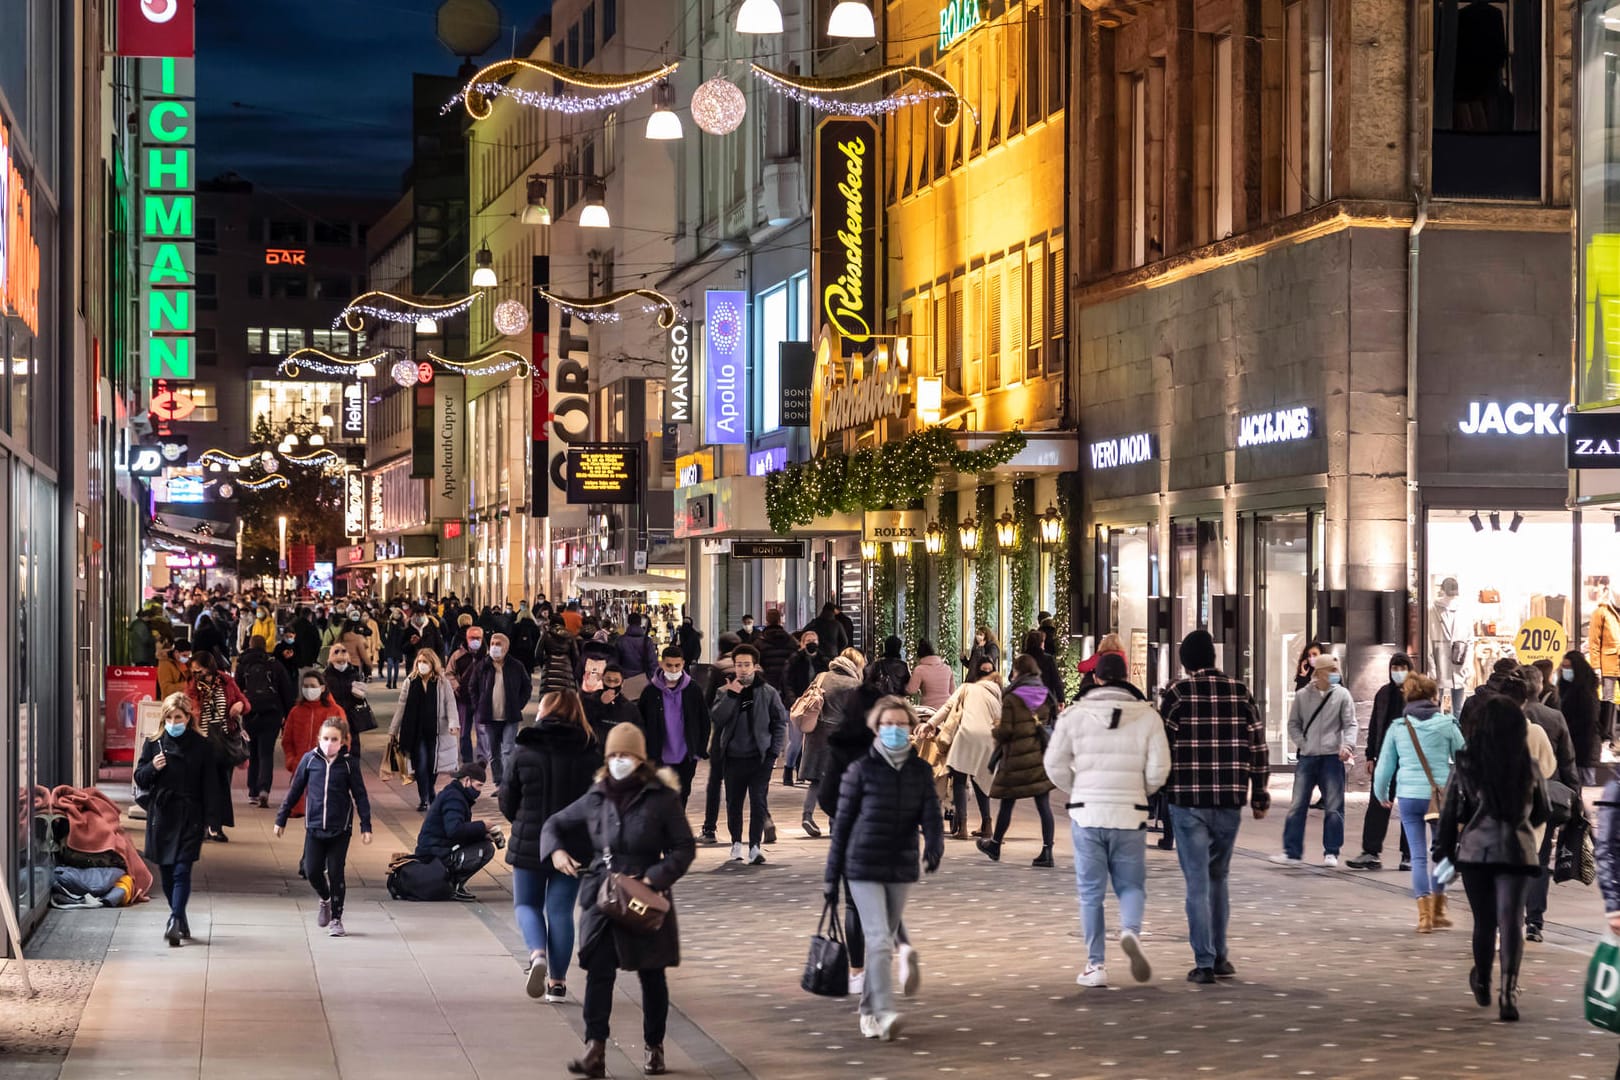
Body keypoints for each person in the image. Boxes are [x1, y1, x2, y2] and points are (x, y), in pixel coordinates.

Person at [541, 724, 696, 1077]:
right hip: (604, 894)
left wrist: (654, 878)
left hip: (644, 896)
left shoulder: (662, 798)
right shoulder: (597, 795)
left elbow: (684, 847)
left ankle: (654, 1047)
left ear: (640, 759)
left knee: (652, 975)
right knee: (599, 971)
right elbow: (554, 824)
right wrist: (556, 853)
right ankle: (594, 1048)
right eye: (613, 756)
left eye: (625, 756)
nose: (618, 762)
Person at [1043, 651, 1170, 987]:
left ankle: (1095, 965)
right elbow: (1160, 770)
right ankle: (1129, 930)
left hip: (1088, 812)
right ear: (1126, 677)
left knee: (1090, 892)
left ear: (1095, 678)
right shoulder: (1148, 716)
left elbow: (1053, 764)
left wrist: (1078, 787)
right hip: (1130, 811)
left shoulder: (1074, 715)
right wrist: (1139, 789)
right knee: (1130, 884)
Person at [824, 696, 944, 1041]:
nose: (894, 730)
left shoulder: (920, 770)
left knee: (884, 941)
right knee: (877, 941)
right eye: (887, 724)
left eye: (901, 724)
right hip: (861, 865)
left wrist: (935, 843)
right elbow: (842, 827)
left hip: (901, 865)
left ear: (911, 728)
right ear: (876, 728)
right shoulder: (860, 770)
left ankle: (867, 1010)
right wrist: (832, 879)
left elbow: (931, 813)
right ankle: (884, 1012)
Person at [1159, 630, 1271, 983]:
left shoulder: (1177, 693)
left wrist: (1159, 790)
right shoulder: (1240, 692)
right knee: (1218, 876)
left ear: (1186, 662)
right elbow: (1258, 745)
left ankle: (1204, 961)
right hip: (1228, 800)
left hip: (1187, 800)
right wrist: (1259, 794)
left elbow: (1162, 745)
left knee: (1196, 881)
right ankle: (1221, 956)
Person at [1433, 696, 1550, 1022]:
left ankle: (1482, 979)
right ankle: (1508, 992)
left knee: (1484, 921)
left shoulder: (1467, 764)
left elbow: (1450, 813)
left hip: (1476, 853)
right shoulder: (1528, 766)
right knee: (1512, 920)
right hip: (1518, 851)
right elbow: (1544, 811)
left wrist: (1444, 852)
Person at [501, 690, 603, 1003]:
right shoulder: (590, 750)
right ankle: (557, 984)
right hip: (573, 845)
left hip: (530, 840)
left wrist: (520, 819)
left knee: (526, 905)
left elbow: (507, 796)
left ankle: (537, 955)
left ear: (544, 711)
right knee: (560, 911)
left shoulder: (525, 746)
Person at [1372, 673, 1466, 933]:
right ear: (1433, 697)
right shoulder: (1447, 724)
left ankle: (1424, 917)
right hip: (1439, 798)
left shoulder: (1399, 727)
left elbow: (1384, 767)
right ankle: (1439, 909)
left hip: (1409, 796)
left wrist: (1382, 795)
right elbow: (1464, 757)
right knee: (1443, 852)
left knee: (1417, 855)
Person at [274, 718, 373, 937]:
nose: (329, 743)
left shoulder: (349, 764)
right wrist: (281, 818)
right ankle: (325, 898)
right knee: (312, 870)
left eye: (334, 739)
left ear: (343, 740)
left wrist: (366, 825)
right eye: (326, 738)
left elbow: (360, 796)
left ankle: (336, 918)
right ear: (319, 739)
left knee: (337, 872)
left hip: (340, 828)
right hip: (315, 827)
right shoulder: (310, 760)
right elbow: (296, 789)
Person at [135, 693, 219, 946]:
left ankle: (173, 919)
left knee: (182, 868)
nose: (174, 721)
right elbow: (140, 777)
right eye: (169, 717)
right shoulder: (154, 743)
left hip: (190, 814)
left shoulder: (201, 745)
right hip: (162, 814)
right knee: (167, 870)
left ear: (187, 717)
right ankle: (179, 917)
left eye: (178, 717)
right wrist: (153, 767)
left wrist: (211, 819)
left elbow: (210, 784)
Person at [1505, 668, 1577, 943]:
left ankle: (1510, 917)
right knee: (1539, 859)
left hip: (1509, 803)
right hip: (1542, 800)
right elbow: (1566, 762)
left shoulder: (1504, 719)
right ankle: (1534, 921)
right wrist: (1575, 796)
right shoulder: (1554, 717)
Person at [1273, 653, 1356, 867]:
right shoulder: (1303, 695)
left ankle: (1332, 851)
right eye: (1331, 670)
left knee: (1334, 806)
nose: (1335, 674)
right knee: (1297, 804)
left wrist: (1347, 745)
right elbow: (1293, 724)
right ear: (1319, 672)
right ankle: (1291, 851)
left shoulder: (1342, 695)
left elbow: (1350, 724)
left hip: (1332, 756)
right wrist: (1303, 744)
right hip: (1308, 757)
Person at [710, 644, 789, 864]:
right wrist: (732, 695)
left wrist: (774, 751)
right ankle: (736, 842)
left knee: (758, 801)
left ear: (755, 666)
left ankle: (755, 846)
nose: (743, 669)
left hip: (759, 757)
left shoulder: (767, 692)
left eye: (747, 665)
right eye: (738, 665)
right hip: (733, 757)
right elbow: (717, 718)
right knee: (734, 802)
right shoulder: (724, 691)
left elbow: (779, 722)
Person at [979, 655, 1058, 867]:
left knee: (1007, 802)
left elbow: (1007, 730)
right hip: (1038, 757)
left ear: (1019, 672)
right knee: (1044, 805)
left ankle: (995, 845)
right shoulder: (1044, 694)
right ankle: (1047, 851)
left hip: (1016, 757)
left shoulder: (1012, 697)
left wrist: (994, 730)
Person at [1347, 653, 1416, 872]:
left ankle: (1409, 855)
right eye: (1395, 667)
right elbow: (1375, 726)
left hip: (1410, 761)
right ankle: (1371, 852)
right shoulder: (1384, 694)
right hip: (1386, 759)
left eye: (1402, 667)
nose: (1398, 672)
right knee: (1377, 806)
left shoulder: (1417, 694)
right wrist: (1370, 755)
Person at [924, 668, 1001, 840]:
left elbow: (947, 707)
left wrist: (930, 724)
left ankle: (963, 828)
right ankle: (987, 825)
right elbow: (1000, 720)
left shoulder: (967, 687)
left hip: (966, 735)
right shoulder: (995, 697)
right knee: (980, 780)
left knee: (959, 779)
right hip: (987, 740)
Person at [636, 646, 712, 810]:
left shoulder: (693, 689)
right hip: (658, 756)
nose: (674, 669)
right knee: (658, 799)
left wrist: (699, 749)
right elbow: (640, 722)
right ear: (662, 664)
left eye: (677, 665)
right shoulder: (650, 692)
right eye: (669, 665)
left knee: (681, 797)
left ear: (683, 664)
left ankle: (676, 832)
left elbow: (704, 721)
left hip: (686, 756)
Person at [797, 652, 863, 838]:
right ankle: (835, 822)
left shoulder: (821, 676)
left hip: (816, 731)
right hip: (839, 736)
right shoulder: (854, 685)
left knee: (816, 779)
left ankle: (807, 815)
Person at [184, 650, 247, 843]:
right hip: (202, 740)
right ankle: (202, 825)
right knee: (202, 785)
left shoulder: (226, 681)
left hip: (224, 740)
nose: (196, 674)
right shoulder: (193, 687)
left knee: (221, 785)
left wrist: (240, 706)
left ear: (209, 667)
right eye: (193, 671)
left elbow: (244, 701)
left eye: (199, 670)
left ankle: (216, 826)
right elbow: (188, 707)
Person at [415, 763, 499, 901]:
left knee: (484, 842)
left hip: (438, 846)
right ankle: (452, 884)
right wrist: (482, 825)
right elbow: (455, 831)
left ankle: (453, 884)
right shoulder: (454, 798)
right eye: (478, 785)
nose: (479, 791)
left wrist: (482, 834)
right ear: (467, 781)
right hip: (434, 852)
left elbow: (458, 831)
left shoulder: (456, 795)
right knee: (486, 849)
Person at [393, 649, 458, 811]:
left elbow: (450, 703)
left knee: (433, 764)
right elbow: (402, 705)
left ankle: (430, 790)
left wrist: (453, 723)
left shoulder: (441, 682)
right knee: (420, 764)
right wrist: (393, 729)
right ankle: (424, 798)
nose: (422, 665)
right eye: (419, 662)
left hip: (436, 730)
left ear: (432, 664)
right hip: (415, 731)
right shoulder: (411, 681)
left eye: (425, 662)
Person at [235, 634, 294, 809]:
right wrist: (287, 716)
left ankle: (252, 791)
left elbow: (236, 690)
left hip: (250, 713)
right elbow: (286, 691)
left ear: (250, 645)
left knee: (252, 752)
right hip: (272, 713)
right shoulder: (274, 664)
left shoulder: (242, 664)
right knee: (266, 753)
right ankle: (264, 790)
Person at [471, 632, 533, 789]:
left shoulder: (516, 666)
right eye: (492, 644)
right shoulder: (483, 666)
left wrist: (519, 704)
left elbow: (527, 687)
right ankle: (498, 782)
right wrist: (478, 705)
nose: (494, 647)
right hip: (490, 716)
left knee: (507, 750)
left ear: (506, 647)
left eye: (498, 644)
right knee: (493, 753)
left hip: (509, 717)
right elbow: (472, 686)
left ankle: (508, 783)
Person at [283, 671, 348, 819]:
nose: (308, 689)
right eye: (305, 686)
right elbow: (287, 741)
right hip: (300, 770)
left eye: (312, 686)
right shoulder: (296, 711)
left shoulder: (335, 711)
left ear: (322, 688)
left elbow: (345, 740)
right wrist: (291, 761)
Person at [1560, 650, 1602, 785]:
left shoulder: (1586, 692)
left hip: (1584, 749)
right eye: (1563, 667)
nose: (1565, 670)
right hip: (1574, 747)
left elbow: (1589, 721)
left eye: (1568, 667)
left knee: (1585, 787)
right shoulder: (1568, 688)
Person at [322, 644, 370, 755]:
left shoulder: (353, 673)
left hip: (351, 717)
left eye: (344, 661)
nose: (341, 664)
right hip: (333, 717)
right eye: (337, 652)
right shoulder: (326, 675)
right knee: (334, 748)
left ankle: (353, 769)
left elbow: (360, 700)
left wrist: (359, 696)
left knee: (353, 749)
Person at [582, 664, 639, 735]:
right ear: (602, 680)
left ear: (622, 683)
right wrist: (601, 703)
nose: (612, 685)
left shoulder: (630, 708)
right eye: (608, 680)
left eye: (616, 681)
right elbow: (582, 723)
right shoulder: (588, 701)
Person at [754, 609, 798, 698]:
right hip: (788, 685)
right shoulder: (792, 641)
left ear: (767, 621)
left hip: (767, 684)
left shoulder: (759, 642)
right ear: (779, 621)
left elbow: (756, 665)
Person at [615, 612, 660, 691]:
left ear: (628, 622)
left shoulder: (621, 641)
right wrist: (651, 681)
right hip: (643, 680)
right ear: (640, 623)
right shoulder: (647, 641)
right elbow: (653, 663)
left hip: (625, 680)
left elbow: (615, 663)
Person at [906, 638, 956, 710]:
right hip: (946, 710)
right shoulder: (947, 668)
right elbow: (952, 692)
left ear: (919, 656)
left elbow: (911, 690)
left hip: (929, 710)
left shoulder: (919, 670)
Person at [1022, 630, 1066, 707]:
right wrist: (1061, 699)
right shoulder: (1048, 659)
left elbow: (1012, 677)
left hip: (1025, 699)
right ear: (1041, 643)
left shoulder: (1022, 659)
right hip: (1045, 699)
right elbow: (1056, 680)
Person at [538, 617, 580, 695]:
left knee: (547, 699)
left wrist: (544, 664)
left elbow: (538, 653)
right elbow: (575, 656)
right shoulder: (570, 635)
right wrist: (571, 668)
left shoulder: (546, 634)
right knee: (565, 700)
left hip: (549, 669)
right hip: (566, 670)